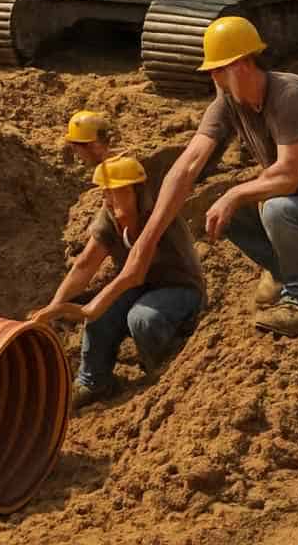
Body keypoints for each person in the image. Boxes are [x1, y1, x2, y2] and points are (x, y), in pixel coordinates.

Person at [111, 16, 298, 338]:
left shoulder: (287, 94)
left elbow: (289, 176)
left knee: (276, 207)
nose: (212, 77)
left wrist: (234, 194)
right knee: (226, 210)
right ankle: (295, 268)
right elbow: (186, 166)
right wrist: (146, 243)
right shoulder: (227, 103)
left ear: (242, 64)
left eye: (217, 69)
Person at [30, 154, 207, 409]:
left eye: (116, 192)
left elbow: (134, 271)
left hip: (181, 287)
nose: (108, 201)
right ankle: (94, 381)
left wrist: (93, 305)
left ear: (137, 191)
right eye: (105, 193)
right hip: (139, 286)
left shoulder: (156, 214)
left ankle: (164, 368)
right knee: (101, 317)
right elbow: (85, 265)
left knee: (142, 319)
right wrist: (53, 309)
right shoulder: (110, 217)